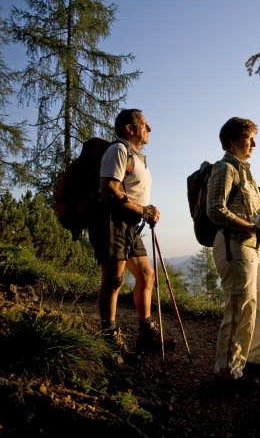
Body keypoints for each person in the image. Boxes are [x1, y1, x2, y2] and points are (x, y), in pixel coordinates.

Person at [207, 116, 260, 389]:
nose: (254, 143)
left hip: (255, 247)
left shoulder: (246, 171)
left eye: (254, 137)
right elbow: (216, 211)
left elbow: (249, 213)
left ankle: (252, 360)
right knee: (242, 308)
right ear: (232, 141)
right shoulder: (224, 168)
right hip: (234, 246)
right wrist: (255, 228)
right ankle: (227, 373)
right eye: (248, 138)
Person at [89, 108, 172, 355]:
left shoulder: (138, 158)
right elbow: (110, 190)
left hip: (130, 225)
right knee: (114, 279)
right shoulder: (118, 150)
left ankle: (146, 332)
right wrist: (142, 210)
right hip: (111, 221)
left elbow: (133, 194)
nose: (150, 129)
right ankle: (109, 336)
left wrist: (147, 210)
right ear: (129, 128)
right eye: (144, 124)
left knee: (146, 276)